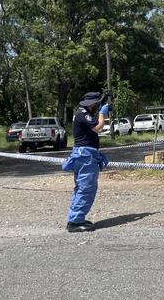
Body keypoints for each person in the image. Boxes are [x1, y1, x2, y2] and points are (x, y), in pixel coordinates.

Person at [61, 92, 111, 233]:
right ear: (93, 104)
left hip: (84, 155)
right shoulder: (83, 114)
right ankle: (75, 222)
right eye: (98, 104)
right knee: (86, 188)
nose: (98, 106)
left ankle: (76, 218)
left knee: (81, 188)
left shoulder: (82, 113)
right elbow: (98, 128)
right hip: (86, 157)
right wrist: (102, 114)